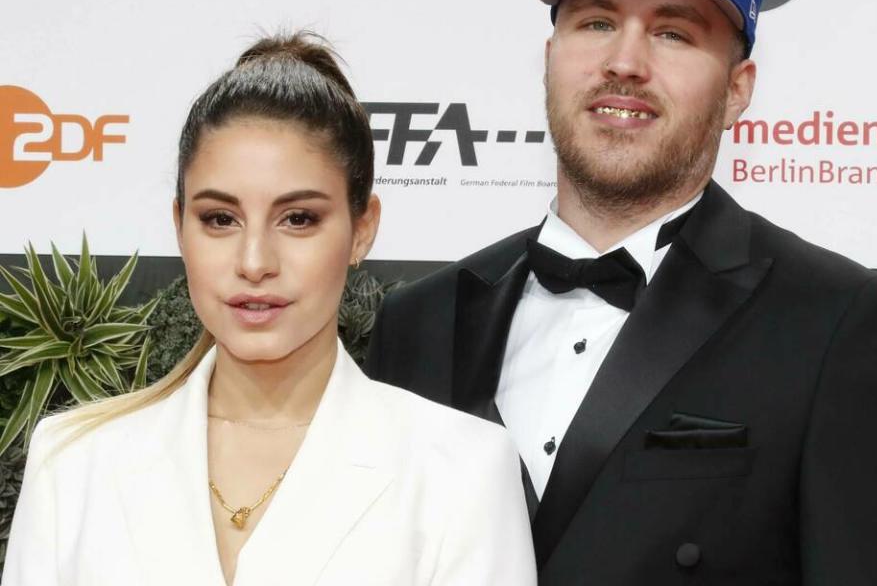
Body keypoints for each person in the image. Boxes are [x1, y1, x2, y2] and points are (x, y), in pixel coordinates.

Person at [365, 0, 877, 585]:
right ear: (550, 53)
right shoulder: (417, 323)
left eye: (673, 33)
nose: (625, 62)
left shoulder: (839, 327)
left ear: (738, 88)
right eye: (595, 22)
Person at [3, 33, 537, 586]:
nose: (254, 262)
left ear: (362, 229)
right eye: (219, 219)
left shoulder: (462, 472)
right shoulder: (72, 462)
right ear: (178, 226)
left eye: (298, 218)